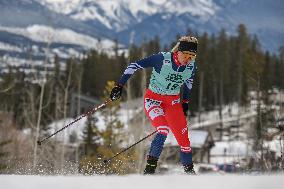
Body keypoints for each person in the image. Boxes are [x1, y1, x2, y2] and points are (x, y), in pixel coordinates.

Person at [110, 36, 198, 175]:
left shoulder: (191, 66)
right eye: (186, 55)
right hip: (153, 100)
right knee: (163, 130)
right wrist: (119, 86)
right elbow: (133, 65)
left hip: (172, 104)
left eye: (192, 57)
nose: (188, 60)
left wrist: (185, 103)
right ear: (178, 52)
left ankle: (190, 173)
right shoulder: (162, 59)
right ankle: (149, 170)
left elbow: (188, 84)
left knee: (184, 141)